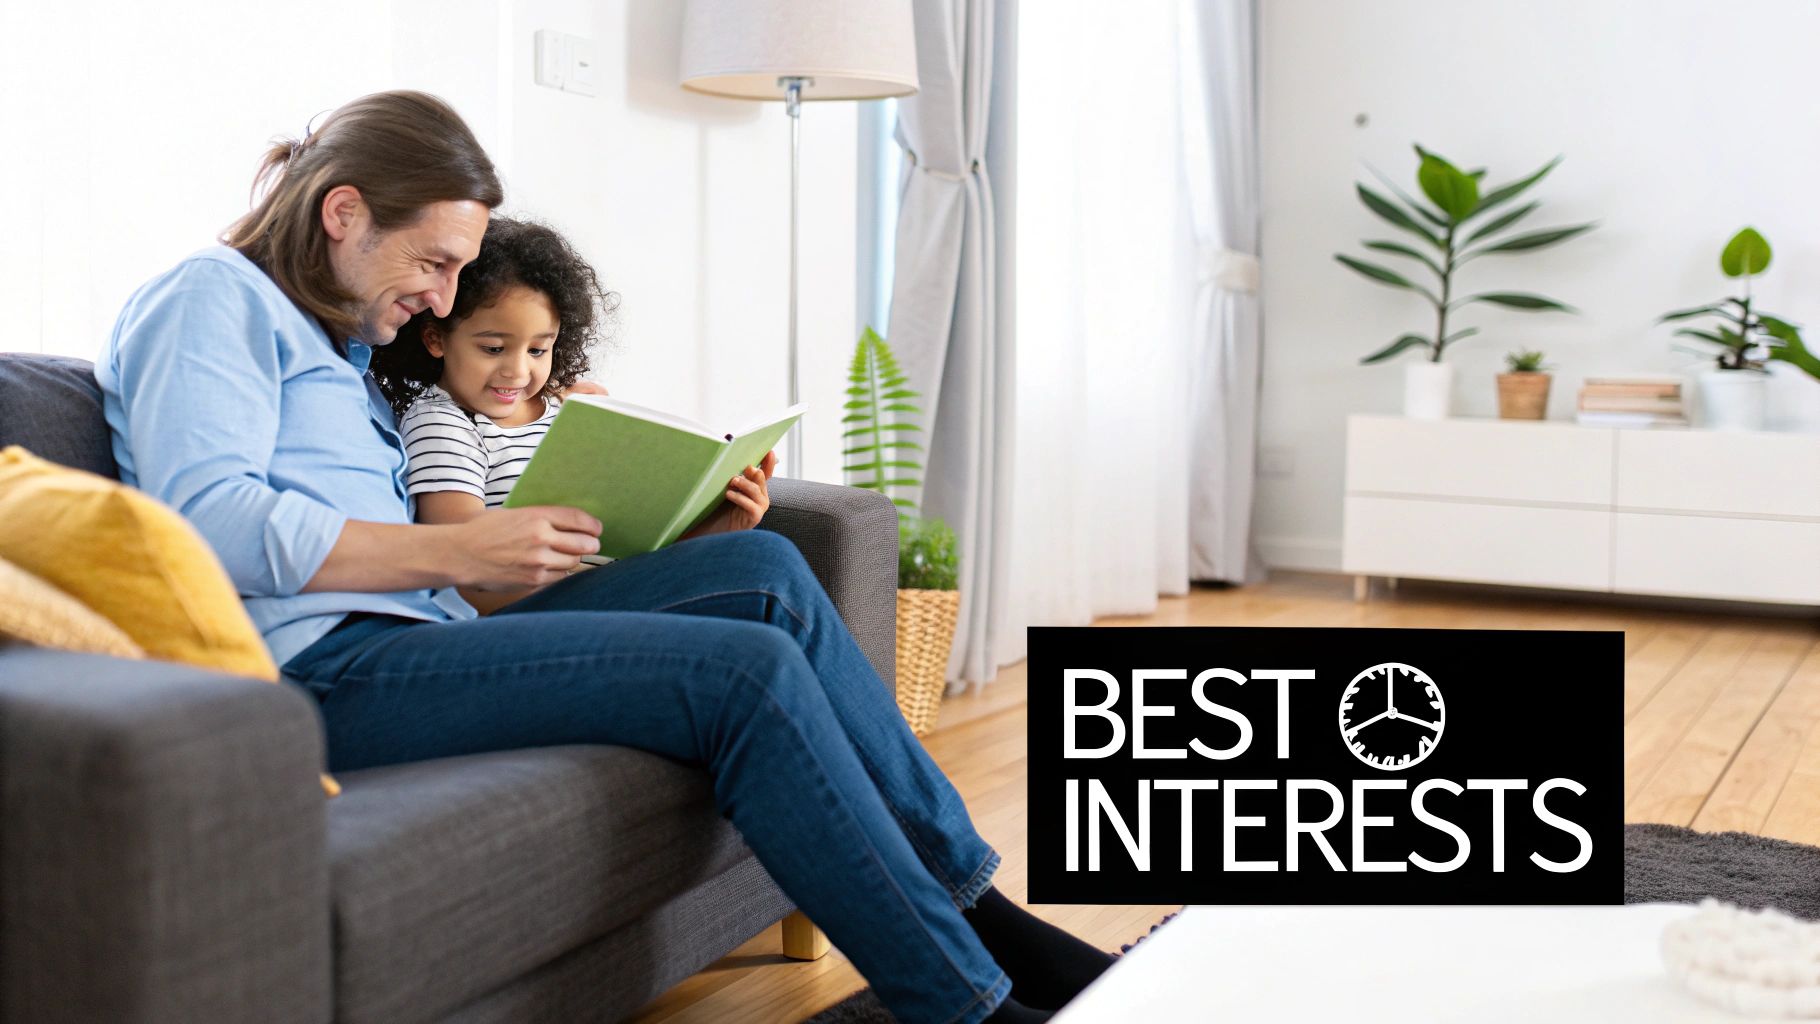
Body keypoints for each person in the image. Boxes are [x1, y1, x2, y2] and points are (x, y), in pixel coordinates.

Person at [96, 90, 1111, 1023]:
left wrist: (672, 530)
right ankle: (965, 1006)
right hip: (321, 679)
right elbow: (206, 518)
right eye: (436, 262)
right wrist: (454, 545)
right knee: (741, 674)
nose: (445, 299)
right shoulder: (208, 298)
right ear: (343, 212)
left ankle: (983, 910)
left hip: (423, 638)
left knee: (764, 577)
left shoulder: (342, 352)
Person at [368, 216, 776, 614]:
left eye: (537, 350)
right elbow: (462, 569)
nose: (517, 371)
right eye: (493, 349)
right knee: (763, 569)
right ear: (435, 338)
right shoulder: (443, 422)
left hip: (604, 591)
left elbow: (630, 547)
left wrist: (720, 525)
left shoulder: (563, 412)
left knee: (758, 564)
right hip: (541, 611)